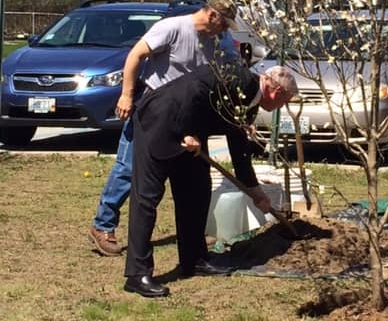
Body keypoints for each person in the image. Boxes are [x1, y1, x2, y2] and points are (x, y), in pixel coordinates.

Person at [123, 63, 298, 297]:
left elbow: (239, 149)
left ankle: (193, 260)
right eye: (284, 102)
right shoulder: (239, 78)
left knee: (197, 192)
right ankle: (137, 274)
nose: (282, 107)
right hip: (160, 122)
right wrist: (185, 132)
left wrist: (255, 192)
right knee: (147, 198)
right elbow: (194, 89)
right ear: (276, 92)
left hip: (191, 135)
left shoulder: (250, 102)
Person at [89, 0, 241, 256]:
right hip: (152, 108)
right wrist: (126, 95)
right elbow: (135, 55)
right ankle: (103, 225)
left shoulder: (220, 40)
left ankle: (192, 236)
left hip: (187, 114)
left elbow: (230, 70)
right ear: (212, 14)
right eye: (224, 23)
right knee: (128, 168)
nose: (225, 30)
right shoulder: (172, 28)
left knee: (188, 175)